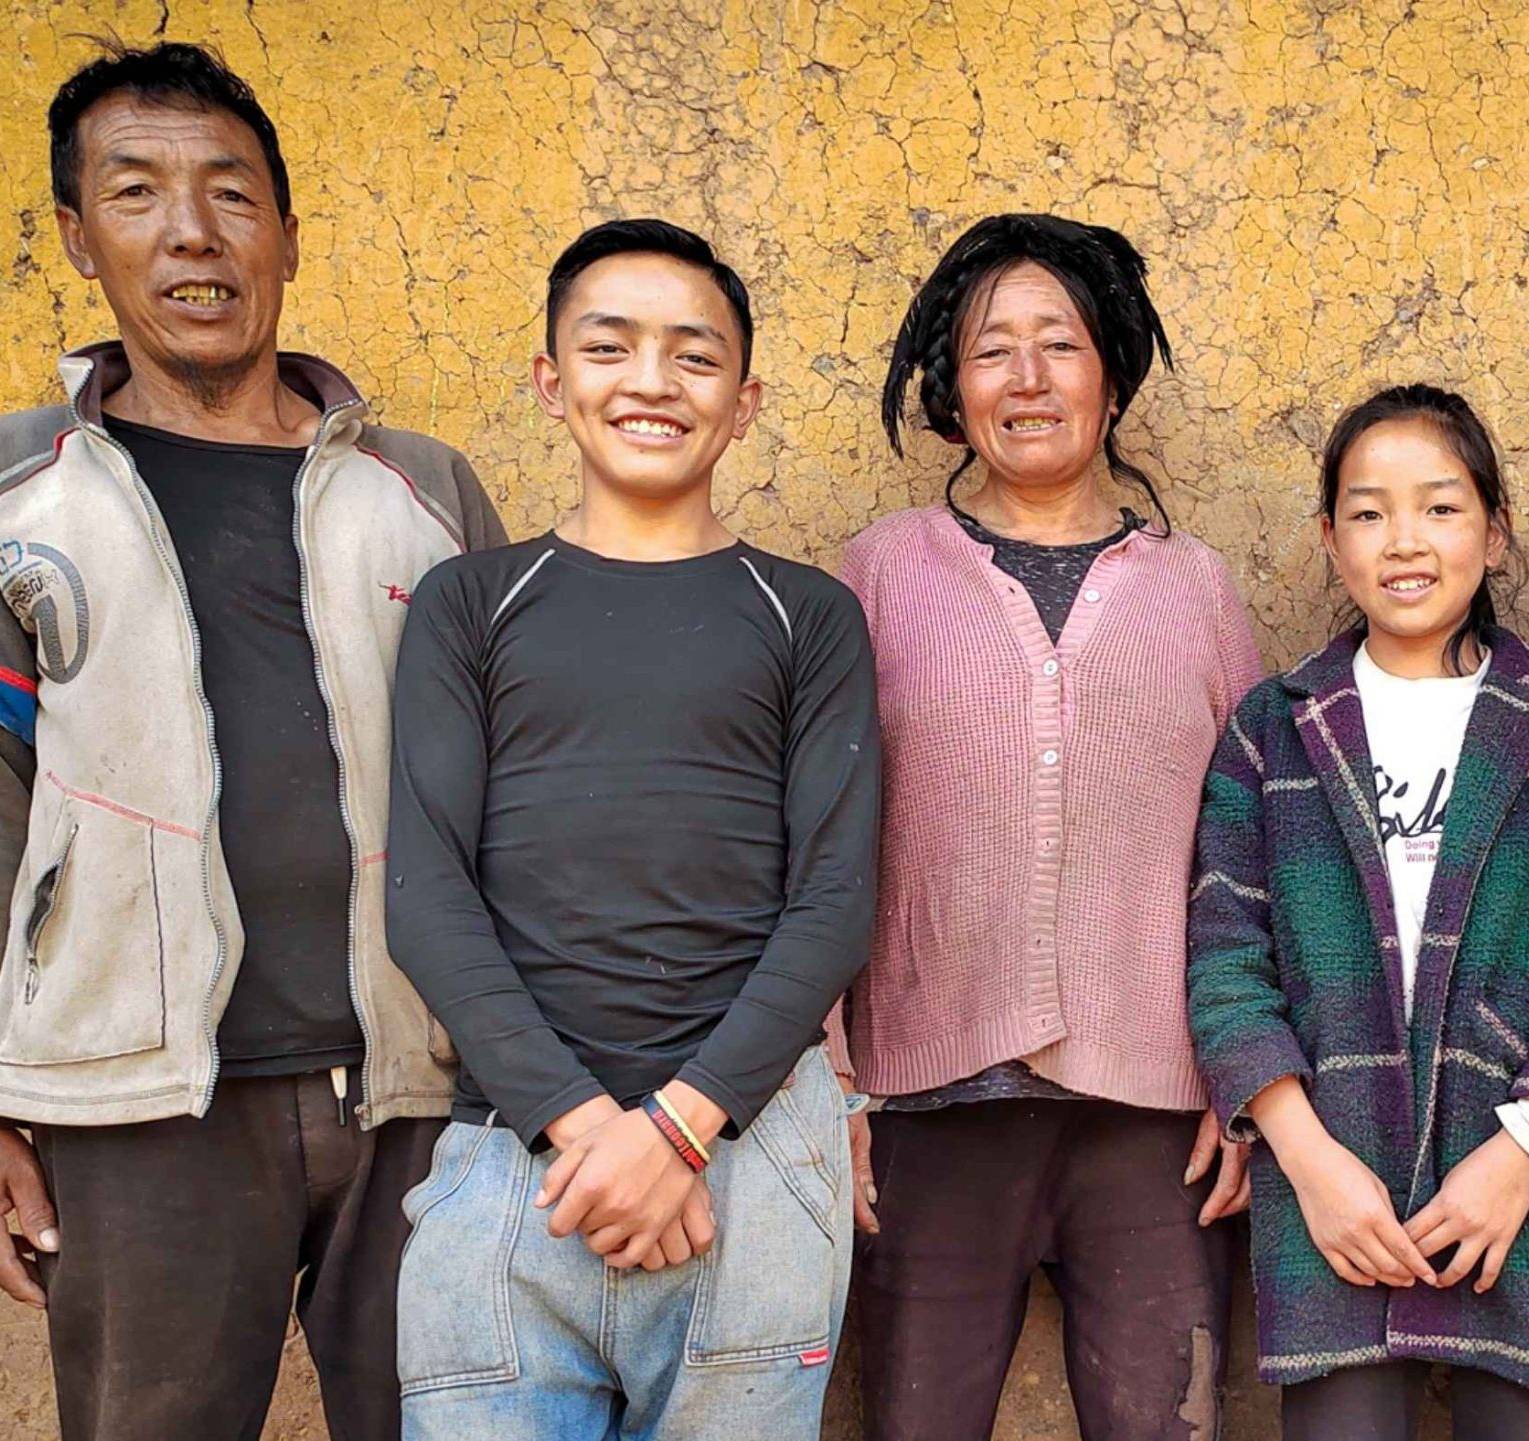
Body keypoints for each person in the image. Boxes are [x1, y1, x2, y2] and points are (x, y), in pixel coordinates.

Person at [0, 41, 504, 1441]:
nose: (191, 234)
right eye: (138, 192)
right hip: (138, 1105)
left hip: (421, 1084)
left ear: (286, 232)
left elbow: (510, 779)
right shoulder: (18, 496)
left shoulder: (424, 488)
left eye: (230, 193)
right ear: (75, 238)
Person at [385, 218, 879, 1439]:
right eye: (610, 347)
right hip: (513, 1152)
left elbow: (833, 902)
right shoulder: (472, 602)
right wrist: (588, 1127)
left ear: (746, 399)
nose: (651, 382)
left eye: (693, 355)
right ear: (552, 381)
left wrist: (678, 1123)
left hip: (752, 1156)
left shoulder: (807, 616)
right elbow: (425, 893)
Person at [832, 212, 1263, 1440]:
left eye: (1058, 345)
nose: (1026, 380)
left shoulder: (1199, 589)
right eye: (989, 351)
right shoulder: (874, 574)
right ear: (949, 389)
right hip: (926, 1112)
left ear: (1111, 373)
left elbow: (1246, 859)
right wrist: (831, 1080)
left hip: (1156, 1124)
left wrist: (1246, 1085)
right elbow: (821, 839)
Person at [1187, 384, 1529, 1440]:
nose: (1404, 539)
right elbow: (1226, 956)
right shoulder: (1276, 728)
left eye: (1440, 507)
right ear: (1328, 538)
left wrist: (1523, 1155)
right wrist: (1307, 1162)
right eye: (1367, 511)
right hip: (1333, 1193)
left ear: (1494, 531)